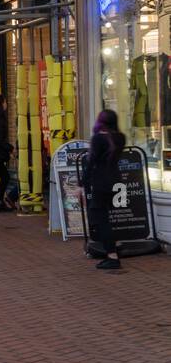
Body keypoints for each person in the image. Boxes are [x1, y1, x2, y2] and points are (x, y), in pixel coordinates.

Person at [82, 109, 126, 271]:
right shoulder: (120, 137)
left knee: (100, 219)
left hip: (101, 182)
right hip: (116, 181)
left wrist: (82, 183)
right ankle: (114, 245)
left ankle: (112, 255)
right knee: (105, 216)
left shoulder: (98, 139)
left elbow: (91, 162)